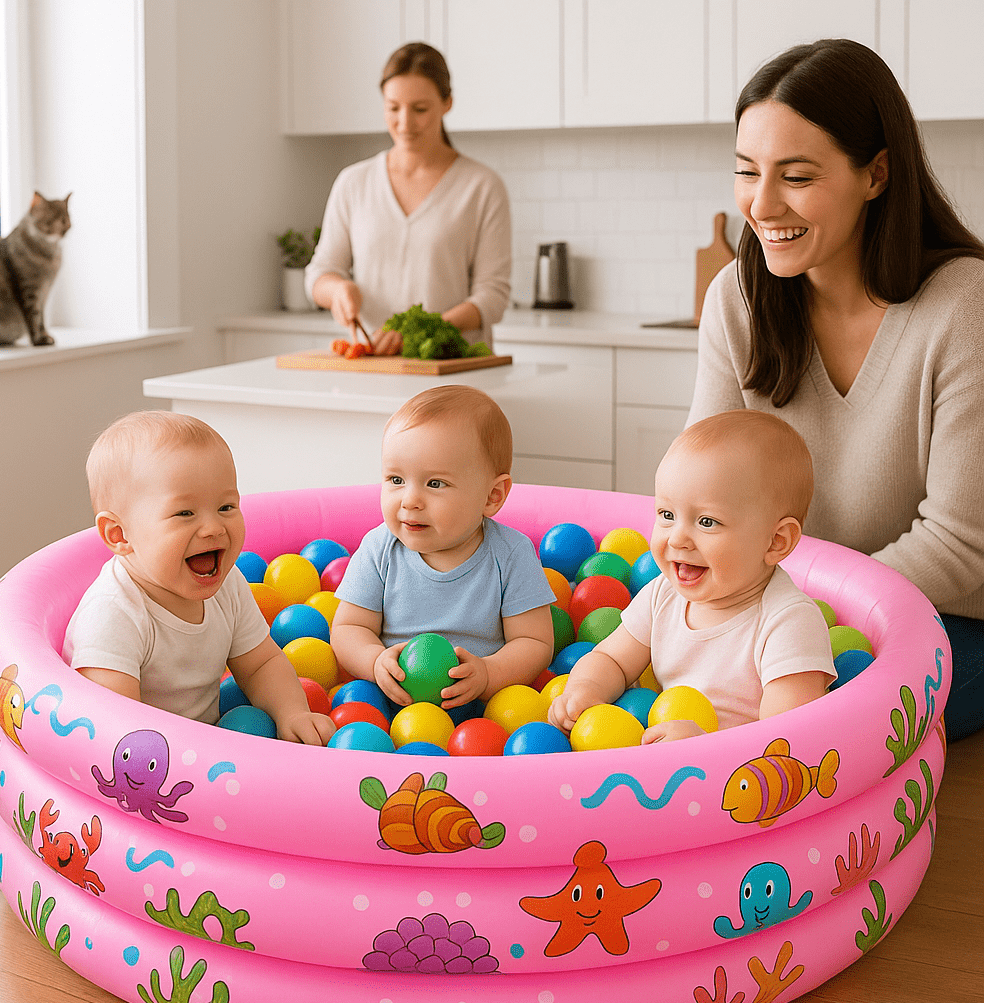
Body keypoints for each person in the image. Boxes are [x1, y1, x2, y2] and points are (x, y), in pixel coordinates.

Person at [687, 38, 984, 741]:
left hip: (947, 620)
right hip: (781, 615)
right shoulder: (739, 299)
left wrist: (787, 618)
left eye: (796, 176)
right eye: (746, 172)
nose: (761, 206)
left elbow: (958, 546)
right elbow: (697, 497)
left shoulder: (963, 305)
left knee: (809, 716)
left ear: (876, 174)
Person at [549, 410, 837, 741]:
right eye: (667, 515)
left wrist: (701, 745)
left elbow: (787, 743)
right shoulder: (662, 595)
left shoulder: (788, 623)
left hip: (736, 784)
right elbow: (612, 658)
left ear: (776, 541)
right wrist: (584, 688)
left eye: (707, 522)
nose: (677, 539)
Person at [62, 411, 335, 745]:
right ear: (120, 534)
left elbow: (261, 662)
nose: (213, 528)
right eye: (184, 513)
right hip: (149, 765)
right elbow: (113, 725)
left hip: (207, 748)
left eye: (226, 507)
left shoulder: (229, 585)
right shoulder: (114, 613)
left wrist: (292, 713)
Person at [330, 385, 554, 708]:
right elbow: (348, 628)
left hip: (485, 714)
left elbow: (534, 641)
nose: (409, 500)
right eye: (396, 480)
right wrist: (376, 662)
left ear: (492, 496)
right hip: (390, 707)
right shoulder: (379, 549)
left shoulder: (511, 554)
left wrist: (489, 673)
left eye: (435, 484)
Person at [306, 41, 511, 354]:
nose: (405, 123)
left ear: (447, 104)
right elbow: (320, 273)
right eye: (393, 108)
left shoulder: (482, 186)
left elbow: (492, 296)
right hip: (373, 366)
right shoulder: (354, 182)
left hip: (450, 370)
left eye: (420, 109)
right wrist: (338, 290)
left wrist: (421, 332)